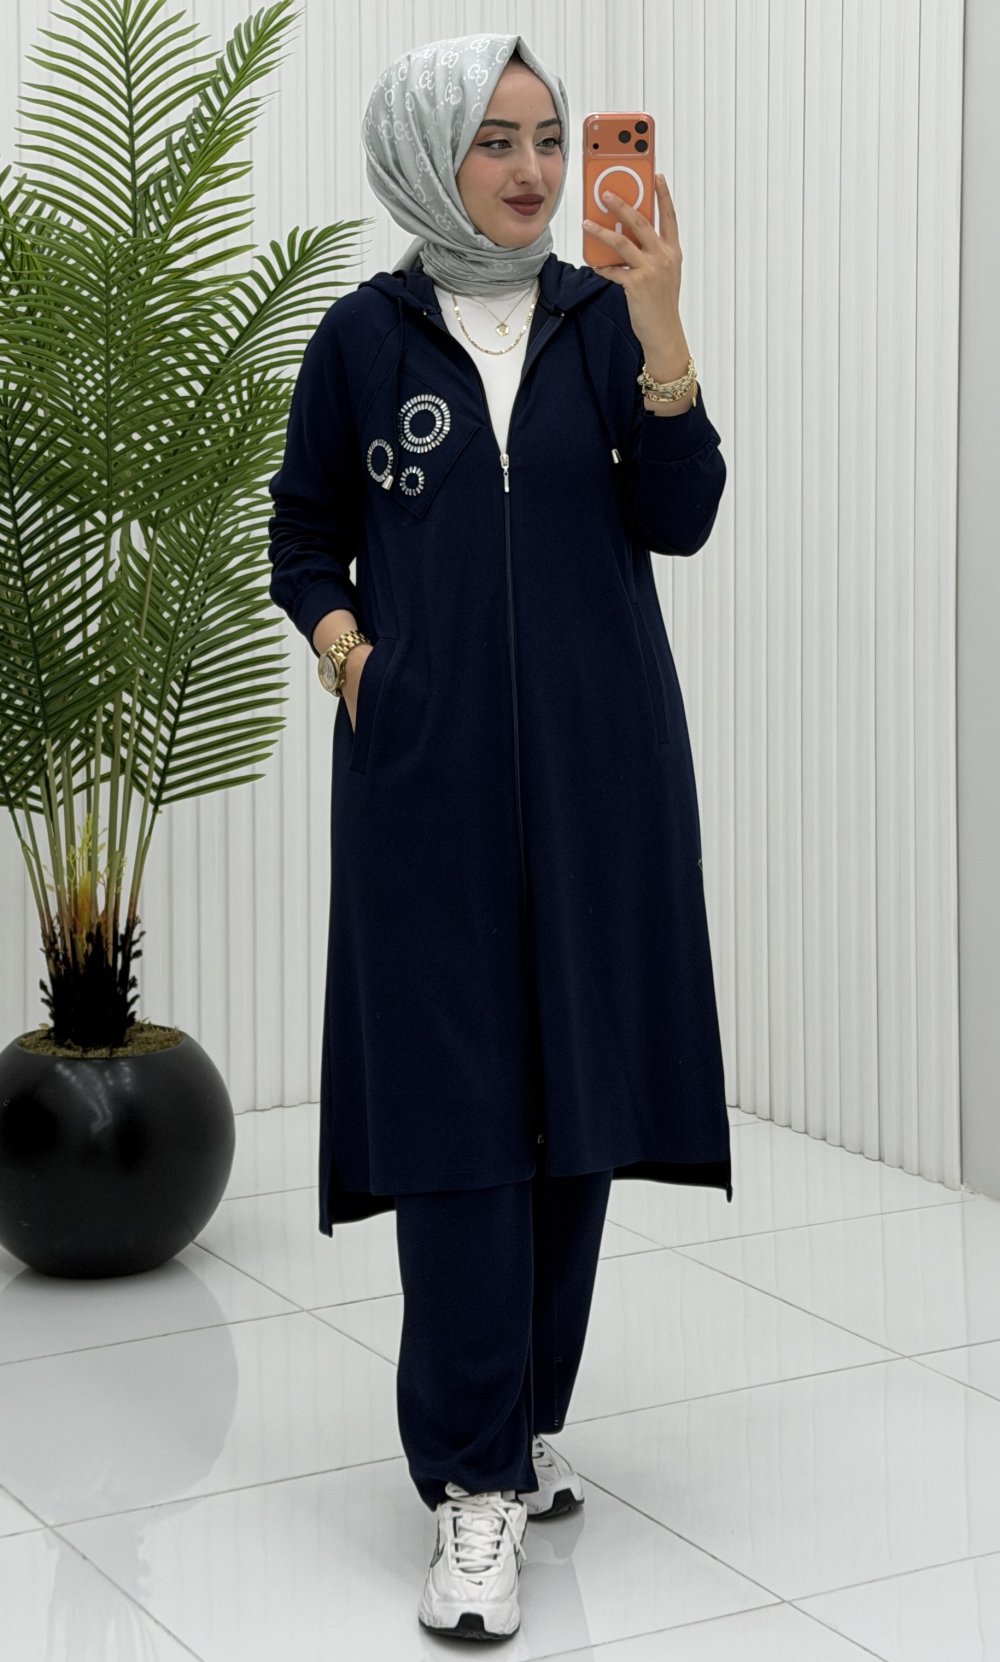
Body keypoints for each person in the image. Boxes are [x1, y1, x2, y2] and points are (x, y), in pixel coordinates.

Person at [267, 31, 733, 1643]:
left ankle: (523, 1420)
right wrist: (357, 660)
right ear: (429, 155)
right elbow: (304, 533)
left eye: (549, 137)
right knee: (460, 1111)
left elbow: (681, 512)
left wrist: (663, 323)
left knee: (573, 1103)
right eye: (497, 140)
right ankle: (468, 1485)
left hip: (603, 775)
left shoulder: (604, 319)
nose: (534, 170)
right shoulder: (361, 337)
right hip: (427, 783)